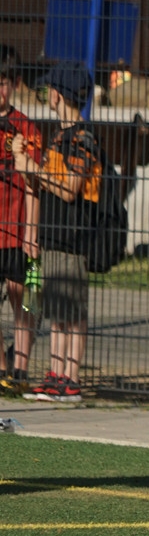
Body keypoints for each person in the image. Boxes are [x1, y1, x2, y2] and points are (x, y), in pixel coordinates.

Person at [13, 60, 100, 403]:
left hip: (73, 238)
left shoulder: (83, 137)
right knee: (55, 310)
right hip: (53, 236)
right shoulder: (60, 135)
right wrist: (25, 166)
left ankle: (71, 379)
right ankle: (55, 373)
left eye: (50, 88)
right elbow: (46, 184)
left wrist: (34, 168)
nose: (45, 93)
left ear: (61, 95)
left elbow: (70, 188)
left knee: (73, 313)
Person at [0, 45, 42, 396]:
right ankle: (1, 370)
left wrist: (31, 230)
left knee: (23, 300)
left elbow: (35, 184)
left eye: (4, 82)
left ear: (14, 84)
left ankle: (20, 370)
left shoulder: (26, 127)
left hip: (16, 229)